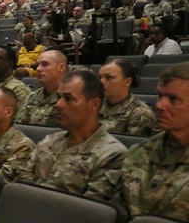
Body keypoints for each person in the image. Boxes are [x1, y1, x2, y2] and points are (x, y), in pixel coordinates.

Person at [18, 69, 126, 202]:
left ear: (94, 105)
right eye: (59, 97)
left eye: (68, 98)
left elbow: (91, 210)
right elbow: (21, 185)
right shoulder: (49, 140)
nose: (58, 104)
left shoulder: (111, 154)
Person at [121, 62, 189, 220]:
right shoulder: (139, 152)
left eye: (173, 99)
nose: (159, 105)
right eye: (160, 96)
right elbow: (118, 214)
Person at [98, 59, 156, 137]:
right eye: (100, 77)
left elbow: (132, 147)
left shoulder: (140, 113)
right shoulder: (94, 105)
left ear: (127, 82)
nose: (101, 82)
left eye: (109, 77)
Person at [15, 49, 68, 125]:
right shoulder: (32, 97)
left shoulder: (70, 98)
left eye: (45, 64)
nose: (38, 69)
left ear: (61, 68)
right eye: (37, 65)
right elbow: (20, 127)